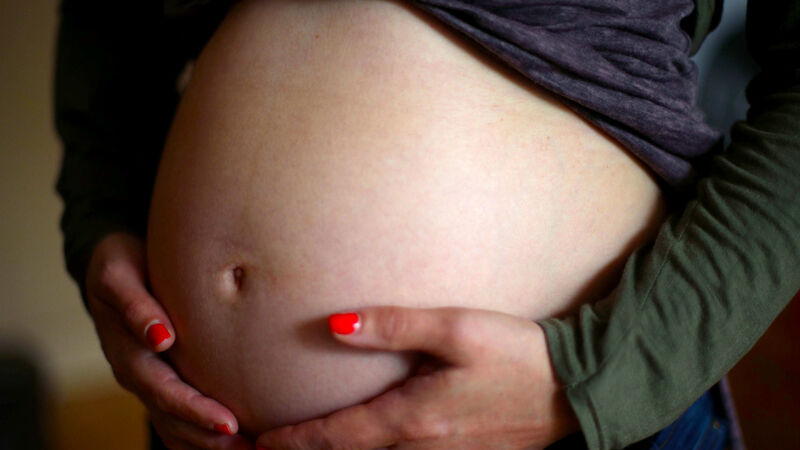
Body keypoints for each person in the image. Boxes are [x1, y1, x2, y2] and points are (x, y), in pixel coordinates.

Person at [53, 1, 800, 449]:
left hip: (554, 412)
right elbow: (108, 22)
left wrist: (590, 379)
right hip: (202, 417)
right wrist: (102, 217)